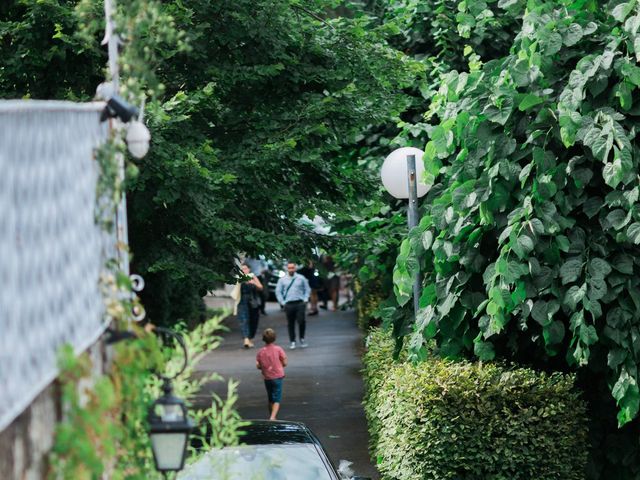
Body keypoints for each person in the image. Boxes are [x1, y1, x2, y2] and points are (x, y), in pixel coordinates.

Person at [275, 261, 311, 349]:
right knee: (290, 323)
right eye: (289, 268)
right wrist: (282, 302)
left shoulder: (301, 278)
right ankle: (292, 341)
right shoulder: (282, 279)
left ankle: (302, 338)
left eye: (292, 267)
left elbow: (307, 289)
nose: (291, 269)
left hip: (300, 303)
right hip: (288, 304)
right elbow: (278, 291)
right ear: (287, 268)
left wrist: (305, 299)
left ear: (295, 268)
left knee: (301, 321)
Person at [256, 328, 288, 420]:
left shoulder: (261, 352)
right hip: (277, 377)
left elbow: (258, 365)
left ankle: (272, 415)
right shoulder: (278, 349)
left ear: (263, 339)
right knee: (277, 398)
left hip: (267, 377)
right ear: (274, 338)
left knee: (270, 398)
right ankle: (272, 417)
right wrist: (280, 365)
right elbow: (285, 362)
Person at [236, 263, 263, 348]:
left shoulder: (253, 277)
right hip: (242, 301)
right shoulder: (239, 278)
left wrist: (253, 283)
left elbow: (261, 287)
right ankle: (246, 339)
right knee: (244, 320)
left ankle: (250, 338)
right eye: (242, 269)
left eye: (245, 269)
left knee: (253, 321)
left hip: (253, 302)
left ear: (249, 269)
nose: (244, 270)